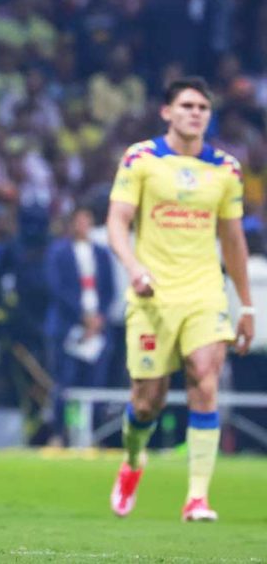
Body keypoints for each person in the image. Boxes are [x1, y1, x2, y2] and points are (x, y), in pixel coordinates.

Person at [106, 77, 254, 522]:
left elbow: (233, 241)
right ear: (166, 112)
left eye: (203, 107)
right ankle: (133, 460)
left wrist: (245, 304)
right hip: (153, 293)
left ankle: (197, 497)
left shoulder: (226, 169)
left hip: (204, 292)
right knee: (147, 400)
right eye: (187, 105)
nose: (196, 113)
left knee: (205, 380)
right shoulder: (141, 158)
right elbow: (117, 222)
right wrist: (134, 268)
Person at [42, 206, 116, 445]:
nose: (82, 225)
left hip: (98, 328)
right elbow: (56, 287)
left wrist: (98, 318)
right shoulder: (58, 252)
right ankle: (60, 433)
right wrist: (81, 316)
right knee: (65, 382)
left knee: (96, 383)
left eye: (87, 220)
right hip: (68, 326)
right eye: (78, 220)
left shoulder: (102, 253)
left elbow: (109, 289)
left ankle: (93, 434)